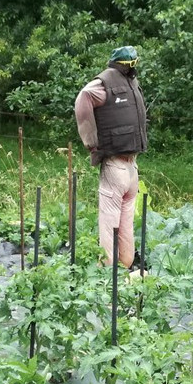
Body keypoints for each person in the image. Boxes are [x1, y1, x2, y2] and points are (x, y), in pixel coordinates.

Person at [74, 45, 148, 269]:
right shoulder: (122, 82)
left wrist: (90, 143)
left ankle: (110, 270)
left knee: (111, 221)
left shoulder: (115, 82)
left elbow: (83, 97)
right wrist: (92, 141)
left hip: (121, 166)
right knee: (124, 219)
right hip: (128, 162)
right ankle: (123, 266)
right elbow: (85, 97)